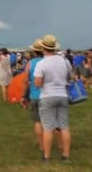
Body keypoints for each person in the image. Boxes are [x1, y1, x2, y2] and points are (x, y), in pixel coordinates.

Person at [33, 34, 71, 162]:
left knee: (48, 128)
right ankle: (65, 155)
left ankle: (47, 157)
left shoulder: (41, 63)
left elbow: (37, 83)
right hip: (63, 95)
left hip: (47, 96)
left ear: (43, 48)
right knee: (64, 127)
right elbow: (69, 77)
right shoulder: (65, 61)